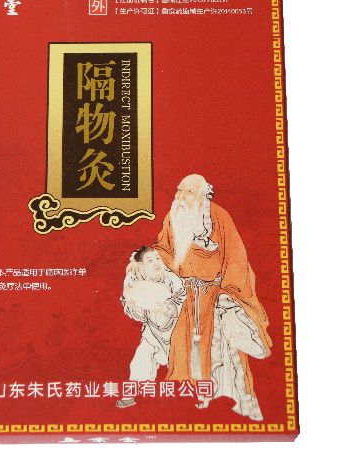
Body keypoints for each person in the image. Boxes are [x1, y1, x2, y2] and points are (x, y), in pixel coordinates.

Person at [152, 174, 271, 419]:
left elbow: (236, 260)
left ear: (203, 195)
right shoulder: (173, 216)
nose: (180, 197)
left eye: (187, 193)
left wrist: (227, 293)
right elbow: (163, 250)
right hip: (185, 297)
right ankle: (186, 403)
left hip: (215, 298)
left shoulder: (219, 217)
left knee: (219, 353)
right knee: (183, 349)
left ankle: (220, 401)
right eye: (179, 191)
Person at [115, 246, 185, 408]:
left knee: (188, 364)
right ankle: (129, 395)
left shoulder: (172, 279)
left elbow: (182, 302)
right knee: (141, 359)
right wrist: (136, 307)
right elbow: (135, 311)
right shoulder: (135, 281)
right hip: (152, 331)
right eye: (150, 260)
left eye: (158, 259)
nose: (156, 263)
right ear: (141, 265)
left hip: (177, 330)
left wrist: (167, 308)